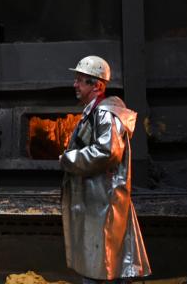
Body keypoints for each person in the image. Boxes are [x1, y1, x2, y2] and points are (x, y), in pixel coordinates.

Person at [60, 56, 151, 283]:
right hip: (99, 198)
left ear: (97, 85)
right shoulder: (96, 112)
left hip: (102, 199)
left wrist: (69, 159)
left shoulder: (104, 113)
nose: (75, 85)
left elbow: (107, 152)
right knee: (106, 260)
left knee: (100, 263)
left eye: (81, 80)